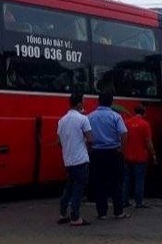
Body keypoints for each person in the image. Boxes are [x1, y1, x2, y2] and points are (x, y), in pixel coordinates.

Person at [88, 91, 130, 220]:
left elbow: (87, 136)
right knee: (116, 183)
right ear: (111, 102)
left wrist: (90, 149)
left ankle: (102, 213)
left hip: (96, 153)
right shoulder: (115, 116)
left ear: (98, 101)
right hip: (113, 153)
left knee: (99, 183)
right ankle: (118, 212)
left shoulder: (90, 116)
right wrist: (121, 149)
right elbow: (123, 134)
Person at [57, 93, 93, 226]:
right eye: (83, 102)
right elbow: (90, 139)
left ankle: (62, 213)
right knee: (79, 188)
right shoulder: (83, 119)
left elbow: (59, 142)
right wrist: (88, 150)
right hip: (80, 159)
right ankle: (75, 216)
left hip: (68, 159)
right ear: (79, 104)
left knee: (70, 186)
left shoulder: (62, 120)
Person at [123, 104, 157, 209]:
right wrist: (154, 154)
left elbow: (123, 138)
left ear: (134, 111)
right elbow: (148, 142)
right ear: (144, 113)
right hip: (141, 156)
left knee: (126, 179)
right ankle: (139, 202)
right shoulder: (145, 124)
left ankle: (124, 201)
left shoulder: (127, 123)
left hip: (128, 155)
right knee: (139, 180)